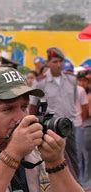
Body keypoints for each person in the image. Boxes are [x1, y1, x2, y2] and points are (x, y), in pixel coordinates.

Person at [29, 47, 84, 178]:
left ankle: (77, 185)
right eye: (54, 61)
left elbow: (73, 99)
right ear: (48, 63)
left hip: (68, 124)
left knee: (73, 157)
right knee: (52, 157)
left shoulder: (71, 79)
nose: (58, 64)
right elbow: (32, 104)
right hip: (51, 126)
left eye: (60, 61)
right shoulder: (40, 82)